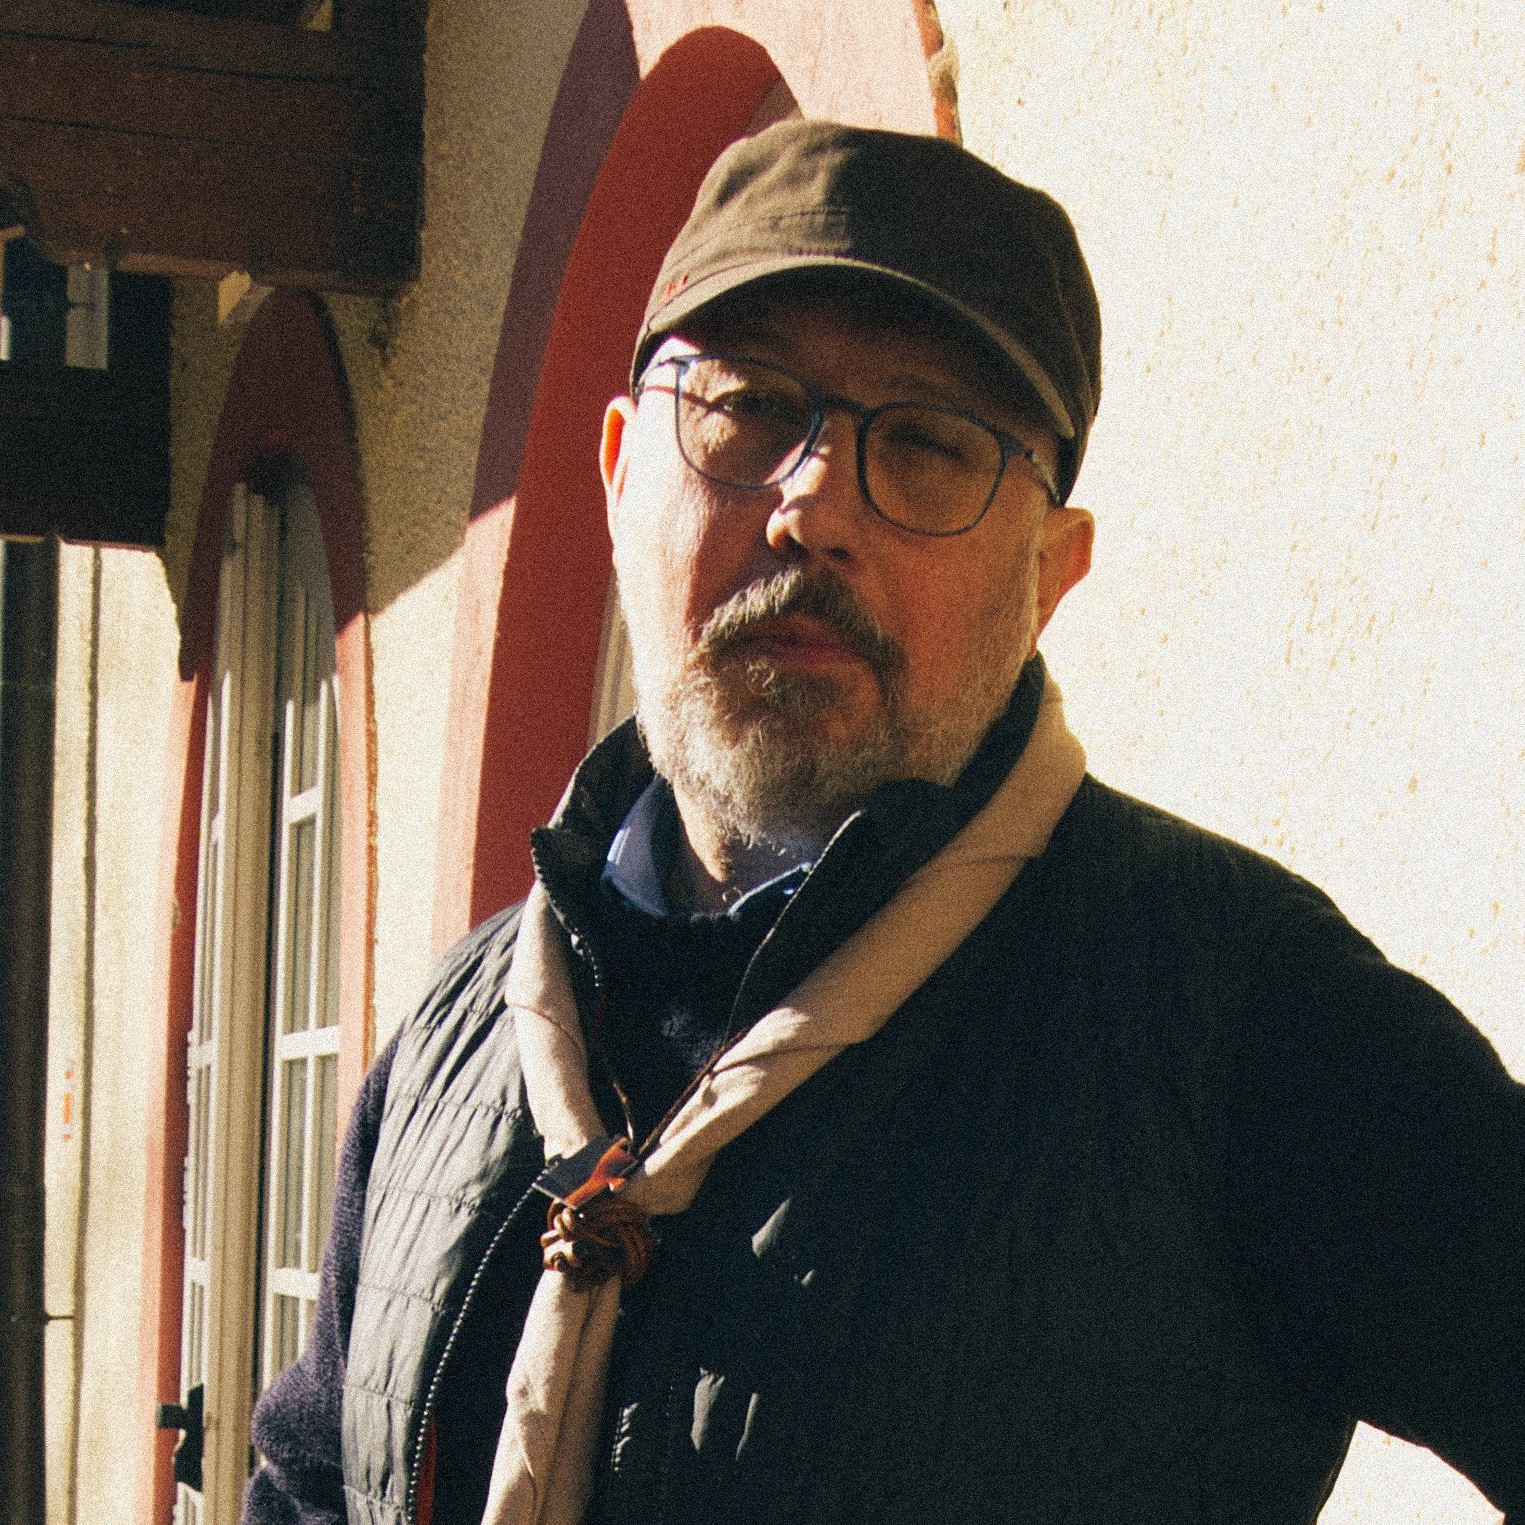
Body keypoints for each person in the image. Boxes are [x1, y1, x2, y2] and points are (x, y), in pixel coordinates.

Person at [243, 120, 1524, 1525]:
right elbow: (311, 1485)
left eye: (925, 446)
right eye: (744, 409)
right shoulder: (459, 1033)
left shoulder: (1242, 1016)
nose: (812, 503)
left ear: (1049, 572)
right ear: (617, 470)